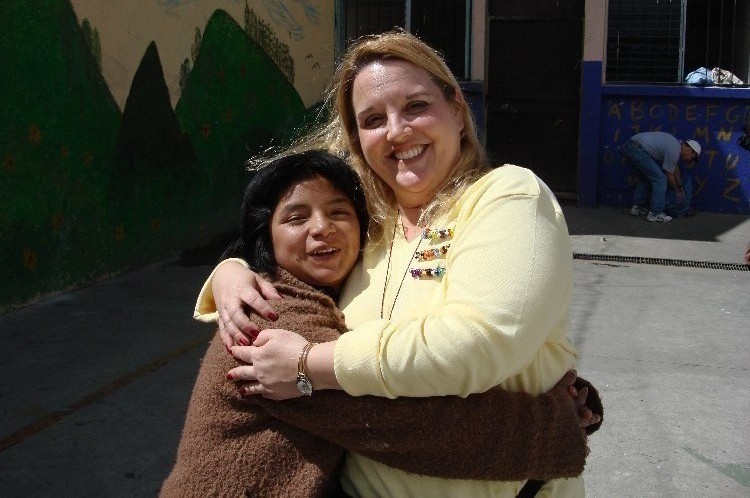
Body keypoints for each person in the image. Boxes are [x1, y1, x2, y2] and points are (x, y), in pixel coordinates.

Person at [198, 30, 602, 496]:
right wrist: (232, 269)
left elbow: (476, 343)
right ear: (357, 139)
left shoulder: (506, 196)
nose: (396, 130)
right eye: (372, 119)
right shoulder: (366, 224)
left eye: (415, 106)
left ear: (456, 108)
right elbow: (285, 246)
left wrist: (310, 365)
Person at [161, 150, 601, 497]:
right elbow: (402, 425)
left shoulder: (346, 277)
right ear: (264, 238)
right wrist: (555, 425)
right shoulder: (270, 320)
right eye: (296, 218)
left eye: (339, 213)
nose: (322, 229)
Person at [622, 131, 701, 222]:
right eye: (693, 157)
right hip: (637, 150)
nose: (690, 160)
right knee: (660, 179)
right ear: (689, 149)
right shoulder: (674, 149)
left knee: (645, 177)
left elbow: (675, 168)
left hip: (631, 147)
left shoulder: (675, 146)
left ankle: (637, 207)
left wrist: (680, 186)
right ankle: (655, 213)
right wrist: (677, 192)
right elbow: (669, 173)